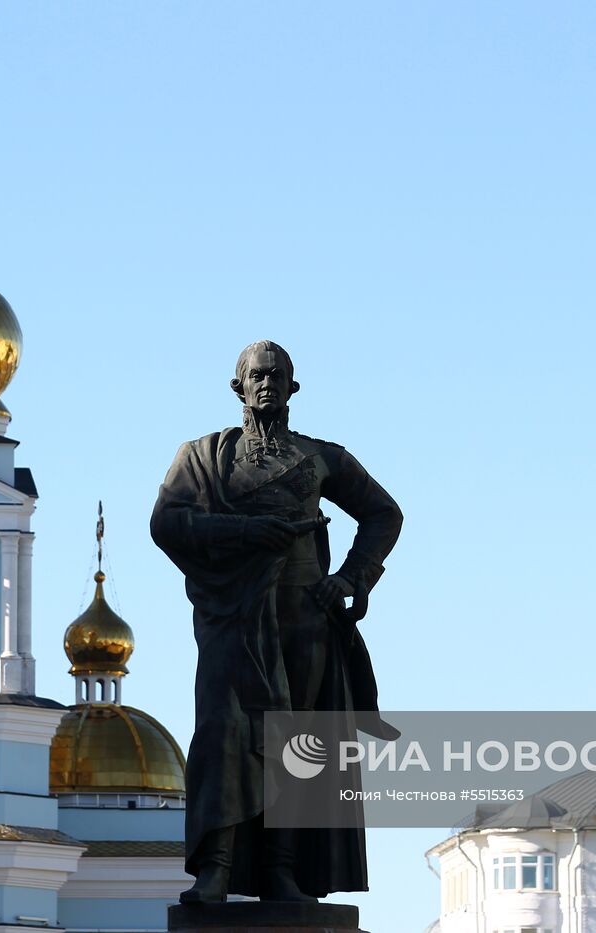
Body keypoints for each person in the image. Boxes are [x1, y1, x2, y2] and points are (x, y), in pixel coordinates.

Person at [150, 340, 403, 903]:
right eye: (256, 375)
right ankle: (215, 866)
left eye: (277, 376)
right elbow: (167, 523)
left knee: (298, 742)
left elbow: (385, 513)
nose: (266, 383)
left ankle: (283, 871)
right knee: (223, 735)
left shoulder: (321, 458)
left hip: (303, 616)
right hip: (234, 616)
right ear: (237, 387)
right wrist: (244, 534)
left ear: (293, 388)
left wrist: (352, 577)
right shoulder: (201, 457)